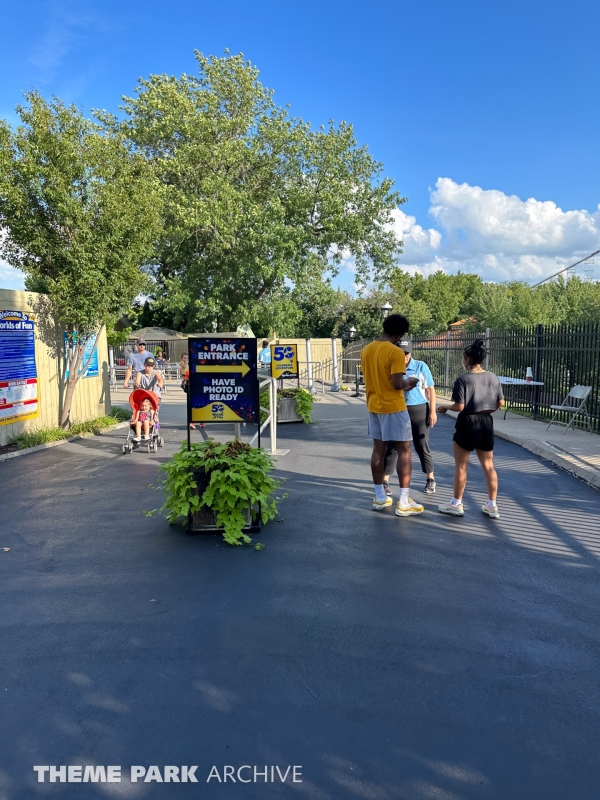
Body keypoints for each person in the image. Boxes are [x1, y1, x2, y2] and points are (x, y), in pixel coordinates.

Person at [360, 314, 424, 517]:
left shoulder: (366, 350)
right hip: (394, 407)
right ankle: (404, 501)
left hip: (373, 405)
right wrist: (410, 381)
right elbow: (397, 383)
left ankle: (380, 496)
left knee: (378, 450)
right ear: (399, 334)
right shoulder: (395, 352)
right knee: (404, 449)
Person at [436, 338, 504, 518]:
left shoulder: (463, 379)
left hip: (467, 422)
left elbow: (459, 406)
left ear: (467, 359)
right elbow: (500, 403)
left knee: (461, 466)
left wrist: (444, 408)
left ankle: (456, 503)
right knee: (489, 465)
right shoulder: (493, 377)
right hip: (487, 422)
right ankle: (492, 505)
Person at [382, 340, 437, 495]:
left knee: (422, 445)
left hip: (418, 409)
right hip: (398, 410)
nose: (405, 356)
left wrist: (432, 411)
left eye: (407, 353)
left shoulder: (420, 366)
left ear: (411, 353)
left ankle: (430, 479)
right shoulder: (392, 367)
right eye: (401, 353)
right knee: (393, 446)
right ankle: (385, 480)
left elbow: (430, 389)